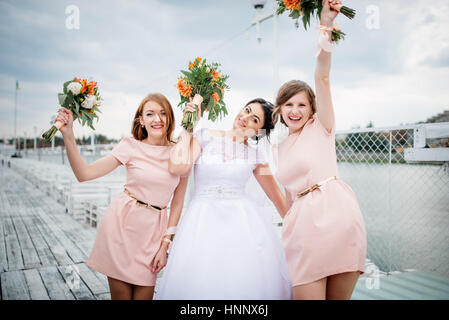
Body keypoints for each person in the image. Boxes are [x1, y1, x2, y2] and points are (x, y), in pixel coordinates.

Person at [271, 0, 367, 300]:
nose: (295, 110)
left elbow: (322, 76)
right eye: (288, 104)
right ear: (280, 109)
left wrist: (325, 25)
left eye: (301, 104)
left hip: (339, 220)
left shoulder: (321, 127)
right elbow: (286, 196)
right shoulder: (277, 148)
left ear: (312, 108)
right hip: (302, 231)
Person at [154, 95, 292, 299]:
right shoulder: (204, 136)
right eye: (247, 110)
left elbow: (278, 199)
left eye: (255, 119)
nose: (245, 118)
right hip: (201, 222)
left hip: (242, 228)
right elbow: (177, 166)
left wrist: (302, 234)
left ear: (259, 132)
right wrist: (188, 126)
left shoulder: (256, 157)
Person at [55, 93, 189, 300]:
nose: (157, 119)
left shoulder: (181, 153)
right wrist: (68, 134)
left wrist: (165, 245)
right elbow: (84, 174)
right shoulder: (130, 145)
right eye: (150, 114)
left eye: (163, 113)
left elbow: (178, 203)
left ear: (170, 118)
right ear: (141, 120)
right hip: (120, 229)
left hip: (153, 236)